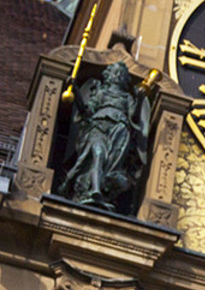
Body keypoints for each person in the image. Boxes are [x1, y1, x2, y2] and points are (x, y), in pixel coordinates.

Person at [59, 61, 150, 211]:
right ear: (108, 75)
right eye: (115, 72)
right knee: (99, 154)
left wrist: (140, 99)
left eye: (122, 74)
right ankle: (95, 190)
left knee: (111, 162)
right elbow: (86, 111)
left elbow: (134, 116)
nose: (118, 75)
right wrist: (75, 90)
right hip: (98, 126)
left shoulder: (127, 97)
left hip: (120, 130)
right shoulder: (100, 92)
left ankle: (101, 191)